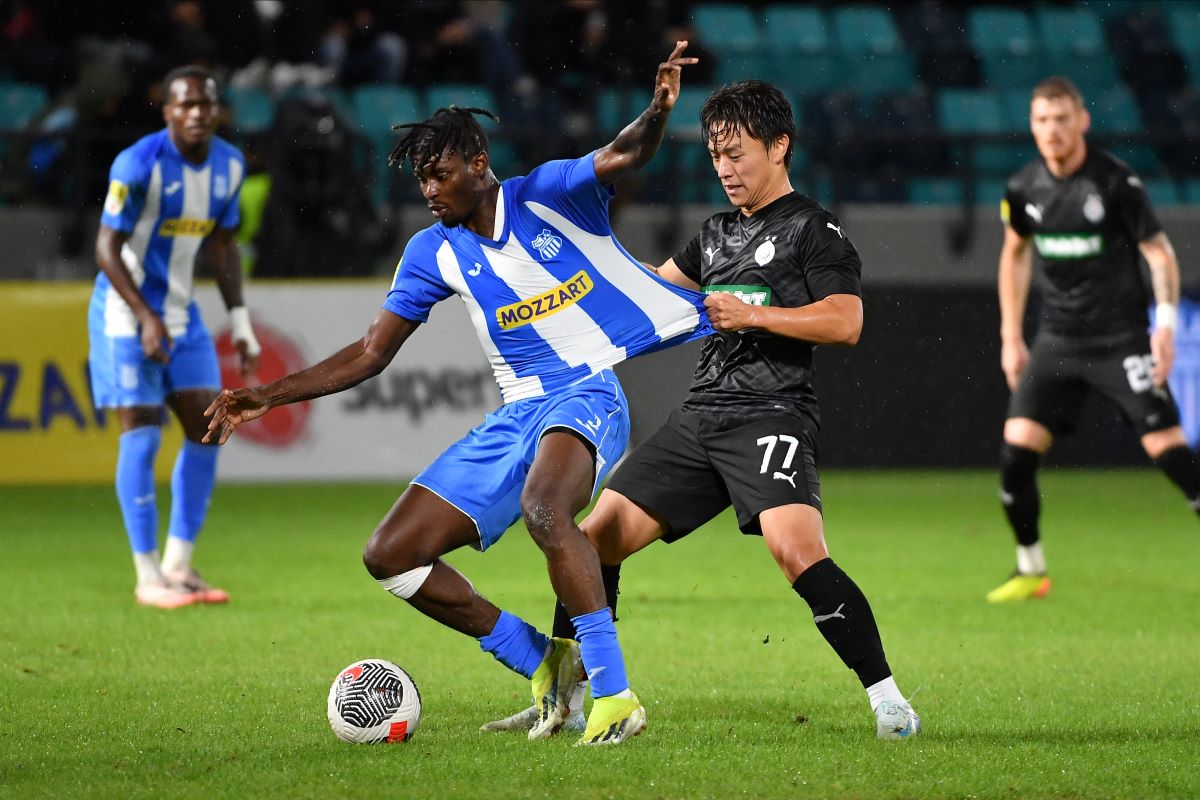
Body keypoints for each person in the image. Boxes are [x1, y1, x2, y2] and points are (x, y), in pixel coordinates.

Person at [204, 44, 708, 746]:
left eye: (438, 175)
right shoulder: (431, 251)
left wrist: (656, 112)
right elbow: (371, 352)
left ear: (478, 162)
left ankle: (614, 695)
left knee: (544, 507)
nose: (429, 192)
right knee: (390, 553)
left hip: (588, 392)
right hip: (516, 414)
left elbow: (623, 154)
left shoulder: (547, 193)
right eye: (420, 182)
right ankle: (540, 664)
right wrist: (269, 394)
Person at [483, 80, 921, 740]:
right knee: (594, 535)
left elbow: (846, 320)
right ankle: (570, 699)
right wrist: (562, 286)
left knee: (795, 550)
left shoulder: (813, 229)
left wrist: (754, 314)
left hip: (771, 412)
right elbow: (647, 297)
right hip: (698, 419)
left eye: (737, 153)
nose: (724, 168)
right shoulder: (713, 235)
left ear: (780, 147)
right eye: (716, 154)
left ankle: (889, 700)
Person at [989, 76, 1196, 603]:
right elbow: (1014, 254)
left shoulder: (1115, 183)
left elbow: (1158, 252)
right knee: (1016, 456)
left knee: (1169, 454)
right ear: (1032, 126)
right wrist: (1011, 336)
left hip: (1120, 339)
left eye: (1061, 118)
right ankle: (1030, 569)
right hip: (1057, 339)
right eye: (1041, 120)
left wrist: (1165, 324)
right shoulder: (1023, 189)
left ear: (1082, 121)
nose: (1052, 130)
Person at [89, 65, 261, 610]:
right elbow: (106, 249)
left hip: (183, 318)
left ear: (217, 110)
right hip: (124, 313)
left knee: (210, 430)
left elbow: (224, 248)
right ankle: (146, 578)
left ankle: (178, 565)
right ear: (166, 112)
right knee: (141, 433)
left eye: (206, 104)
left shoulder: (229, 165)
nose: (197, 113)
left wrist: (240, 324)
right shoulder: (137, 163)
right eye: (185, 105)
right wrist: (143, 314)